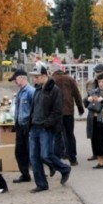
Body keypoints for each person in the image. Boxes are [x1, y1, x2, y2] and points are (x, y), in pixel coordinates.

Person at [28, 65, 71, 193]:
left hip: (45, 128)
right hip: (34, 127)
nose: (35, 79)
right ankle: (41, 184)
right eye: (34, 77)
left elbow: (57, 111)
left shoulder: (54, 90)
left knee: (46, 155)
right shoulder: (37, 89)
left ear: (44, 76)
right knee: (34, 157)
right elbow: (34, 108)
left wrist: (47, 124)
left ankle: (64, 168)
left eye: (37, 77)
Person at [51, 61, 84, 165]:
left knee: (57, 135)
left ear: (53, 71)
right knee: (70, 135)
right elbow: (77, 94)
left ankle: (56, 159)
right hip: (69, 111)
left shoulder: (52, 80)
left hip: (56, 112)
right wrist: (80, 107)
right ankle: (73, 158)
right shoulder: (69, 79)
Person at [8, 69, 35, 183]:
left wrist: (31, 123)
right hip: (19, 125)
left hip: (28, 125)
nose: (15, 81)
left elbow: (34, 109)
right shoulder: (20, 92)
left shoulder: (30, 91)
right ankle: (25, 174)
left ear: (22, 78)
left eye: (16, 79)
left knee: (32, 151)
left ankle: (45, 170)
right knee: (19, 152)